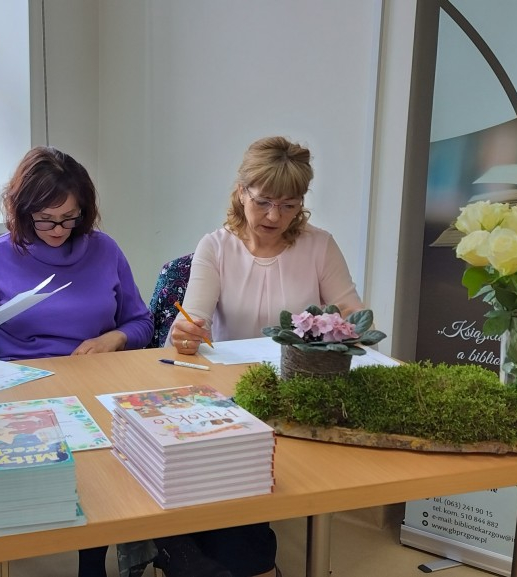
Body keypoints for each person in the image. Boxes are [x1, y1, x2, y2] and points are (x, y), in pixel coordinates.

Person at [161, 136, 364, 577]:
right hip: (227, 394)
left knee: (240, 480)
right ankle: (231, 558)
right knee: (224, 470)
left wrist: (347, 325)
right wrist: (187, 335)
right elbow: (191, 324)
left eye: (289, 205)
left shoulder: (319, 246)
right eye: (264, 202)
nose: (274, 216)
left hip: (298, 388)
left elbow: (353, 313)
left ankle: (215, 557)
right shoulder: (216, 247)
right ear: (241, 192)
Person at [0, 145, 153, 577]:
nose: (58, 229)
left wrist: (113, 338)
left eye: (69, 218)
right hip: (20, 388)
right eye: (45, 219)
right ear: (22, 211)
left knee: (102, 471)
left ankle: (92, 561)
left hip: (93, 381)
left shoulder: (105, 250)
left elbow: (141, 322)